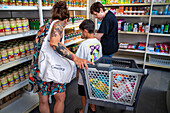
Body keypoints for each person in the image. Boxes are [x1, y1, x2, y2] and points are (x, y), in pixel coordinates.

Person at [29, 2, 93, 113]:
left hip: (40, 68)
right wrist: (76, 58)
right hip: (53, 68)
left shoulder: (44, 26)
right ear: (66, 19)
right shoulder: (59, 24)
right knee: (60, 98)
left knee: (43, 100)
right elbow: (54, 43)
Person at [75, 19, 102, 113]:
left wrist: (77, 73)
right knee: (93, 90)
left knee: (84, 93)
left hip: (84, 73)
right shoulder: (98, 42)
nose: (81, 34)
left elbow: (78, 60)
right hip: (95, 72)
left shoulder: (83, 44)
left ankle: (83, 110)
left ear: (85, 31)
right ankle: (93, 107)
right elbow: (100, 58)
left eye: (82, 32)